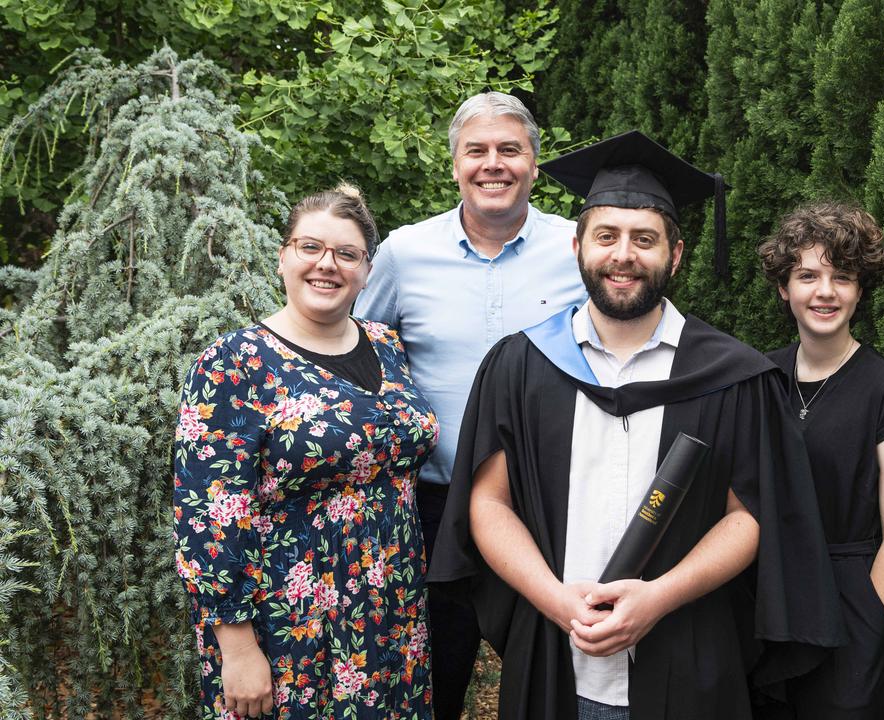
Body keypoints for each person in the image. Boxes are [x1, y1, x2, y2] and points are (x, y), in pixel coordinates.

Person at [426, 131, 846, 720]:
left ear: (675, 254)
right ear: (577, 247)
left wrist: (657, 598)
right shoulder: (521, 366)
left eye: (644, 239)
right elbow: (488, 503)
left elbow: (749, 515)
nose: (623, 254)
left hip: (689, 657)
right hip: (553, 656)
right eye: (607, 236)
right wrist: (557, 602)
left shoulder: (733, 377)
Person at [354, 92, 587, 719]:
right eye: (476, 150)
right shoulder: (404, 254)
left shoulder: (578, 249)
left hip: (550, 508)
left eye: (509, 150)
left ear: (535, 164)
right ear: (454, 164)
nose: (493, 164)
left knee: (558, 675)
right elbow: (356, 357)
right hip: (435, 508)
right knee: (434, 679)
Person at [173, 185, 439, 719]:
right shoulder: (235, 363)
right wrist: (238, 648)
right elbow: (207, 517)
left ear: (366, 269)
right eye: (309, 247)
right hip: (290, 626)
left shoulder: (387, 345)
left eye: (347, 254)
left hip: (392, 615)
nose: (327, 265)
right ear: (283, 257)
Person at [753, 202, 884, 719]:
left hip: (851, 608)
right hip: (771, 603)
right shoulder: (760, 378)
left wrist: (871, 625)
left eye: (842, 277)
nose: (825, 292)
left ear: (859, 290)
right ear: (785, 288)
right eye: (807, 275)